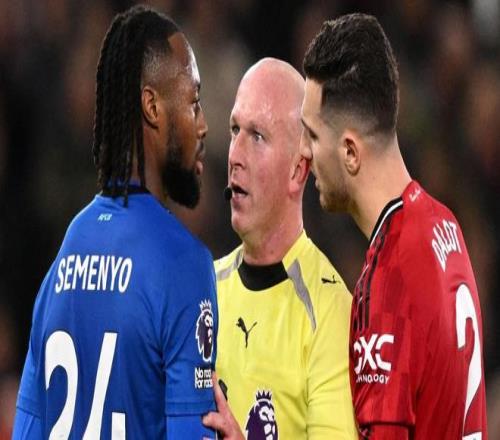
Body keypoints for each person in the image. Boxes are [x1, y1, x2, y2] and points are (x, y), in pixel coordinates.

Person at [13, 5, 218, 439]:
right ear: (152, 106)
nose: (202, 126)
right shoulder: (183, 264)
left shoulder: (64, 258)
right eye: (194, 102)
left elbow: (27, 430)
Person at [301, 13, 488, 439]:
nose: (304, 153)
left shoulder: (386, 283)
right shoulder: (444, 225)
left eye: (312, 136)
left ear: (350, 152)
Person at [203, 58, 357, 439]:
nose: (235, 155)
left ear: (297, 170)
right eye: (235, 129)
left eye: (257, 136)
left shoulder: (330, 313)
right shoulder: (201, 289)